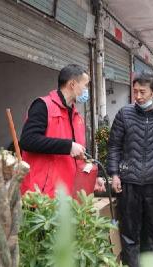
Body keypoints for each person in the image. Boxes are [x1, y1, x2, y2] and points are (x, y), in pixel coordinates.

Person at [107, 71, 153, 267]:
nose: (138, 96)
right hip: (129, 183)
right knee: (129, 232)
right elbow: (113, 145)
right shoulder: (124, 114)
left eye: (143, 92)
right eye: (135, 91)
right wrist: (114, 174)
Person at [20, 64, 105, 197]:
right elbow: (28, 140)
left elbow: (80, 153)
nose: (87, 90)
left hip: (67, 192)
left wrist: (94, 178)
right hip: (42, 194)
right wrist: (68, 146)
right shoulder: (43, 106)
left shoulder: (76, 116)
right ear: (72, 84)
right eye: (86, 85)